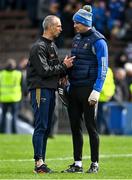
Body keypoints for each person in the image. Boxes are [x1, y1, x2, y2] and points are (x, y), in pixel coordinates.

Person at [62, 5, 108, 173]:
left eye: (76, 22)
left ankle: (95, 163)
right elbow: (76, 61)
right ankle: (77, 164)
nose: (74, 25)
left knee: (91, 127)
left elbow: (103, 67)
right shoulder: (77, 38)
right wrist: (66, 74)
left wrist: (97, 90)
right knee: (75, 126)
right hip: (74, 88)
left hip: (89, 89)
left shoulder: (99, 41)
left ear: (84, 22)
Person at [27, 15, 75, 174]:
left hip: (50, 89)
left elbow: (54, 69)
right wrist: (63, 66)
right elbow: (44, 71)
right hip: (40, 89)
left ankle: (42, 163)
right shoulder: (38, 47)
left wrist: (63, 74)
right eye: (59, 26)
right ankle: (38, 163)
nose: (61, 29)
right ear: (49, 27)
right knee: (41, 125)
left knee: (46, 127)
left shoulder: (52, 46)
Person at [0, 59, 22, 133]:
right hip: (15, 98)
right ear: (14, 65)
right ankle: (14, 131)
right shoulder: (18, 74)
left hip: (4, 98)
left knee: (3, 116)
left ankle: (2, 131)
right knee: (14, 116)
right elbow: (23, 85)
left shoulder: (1, 74)